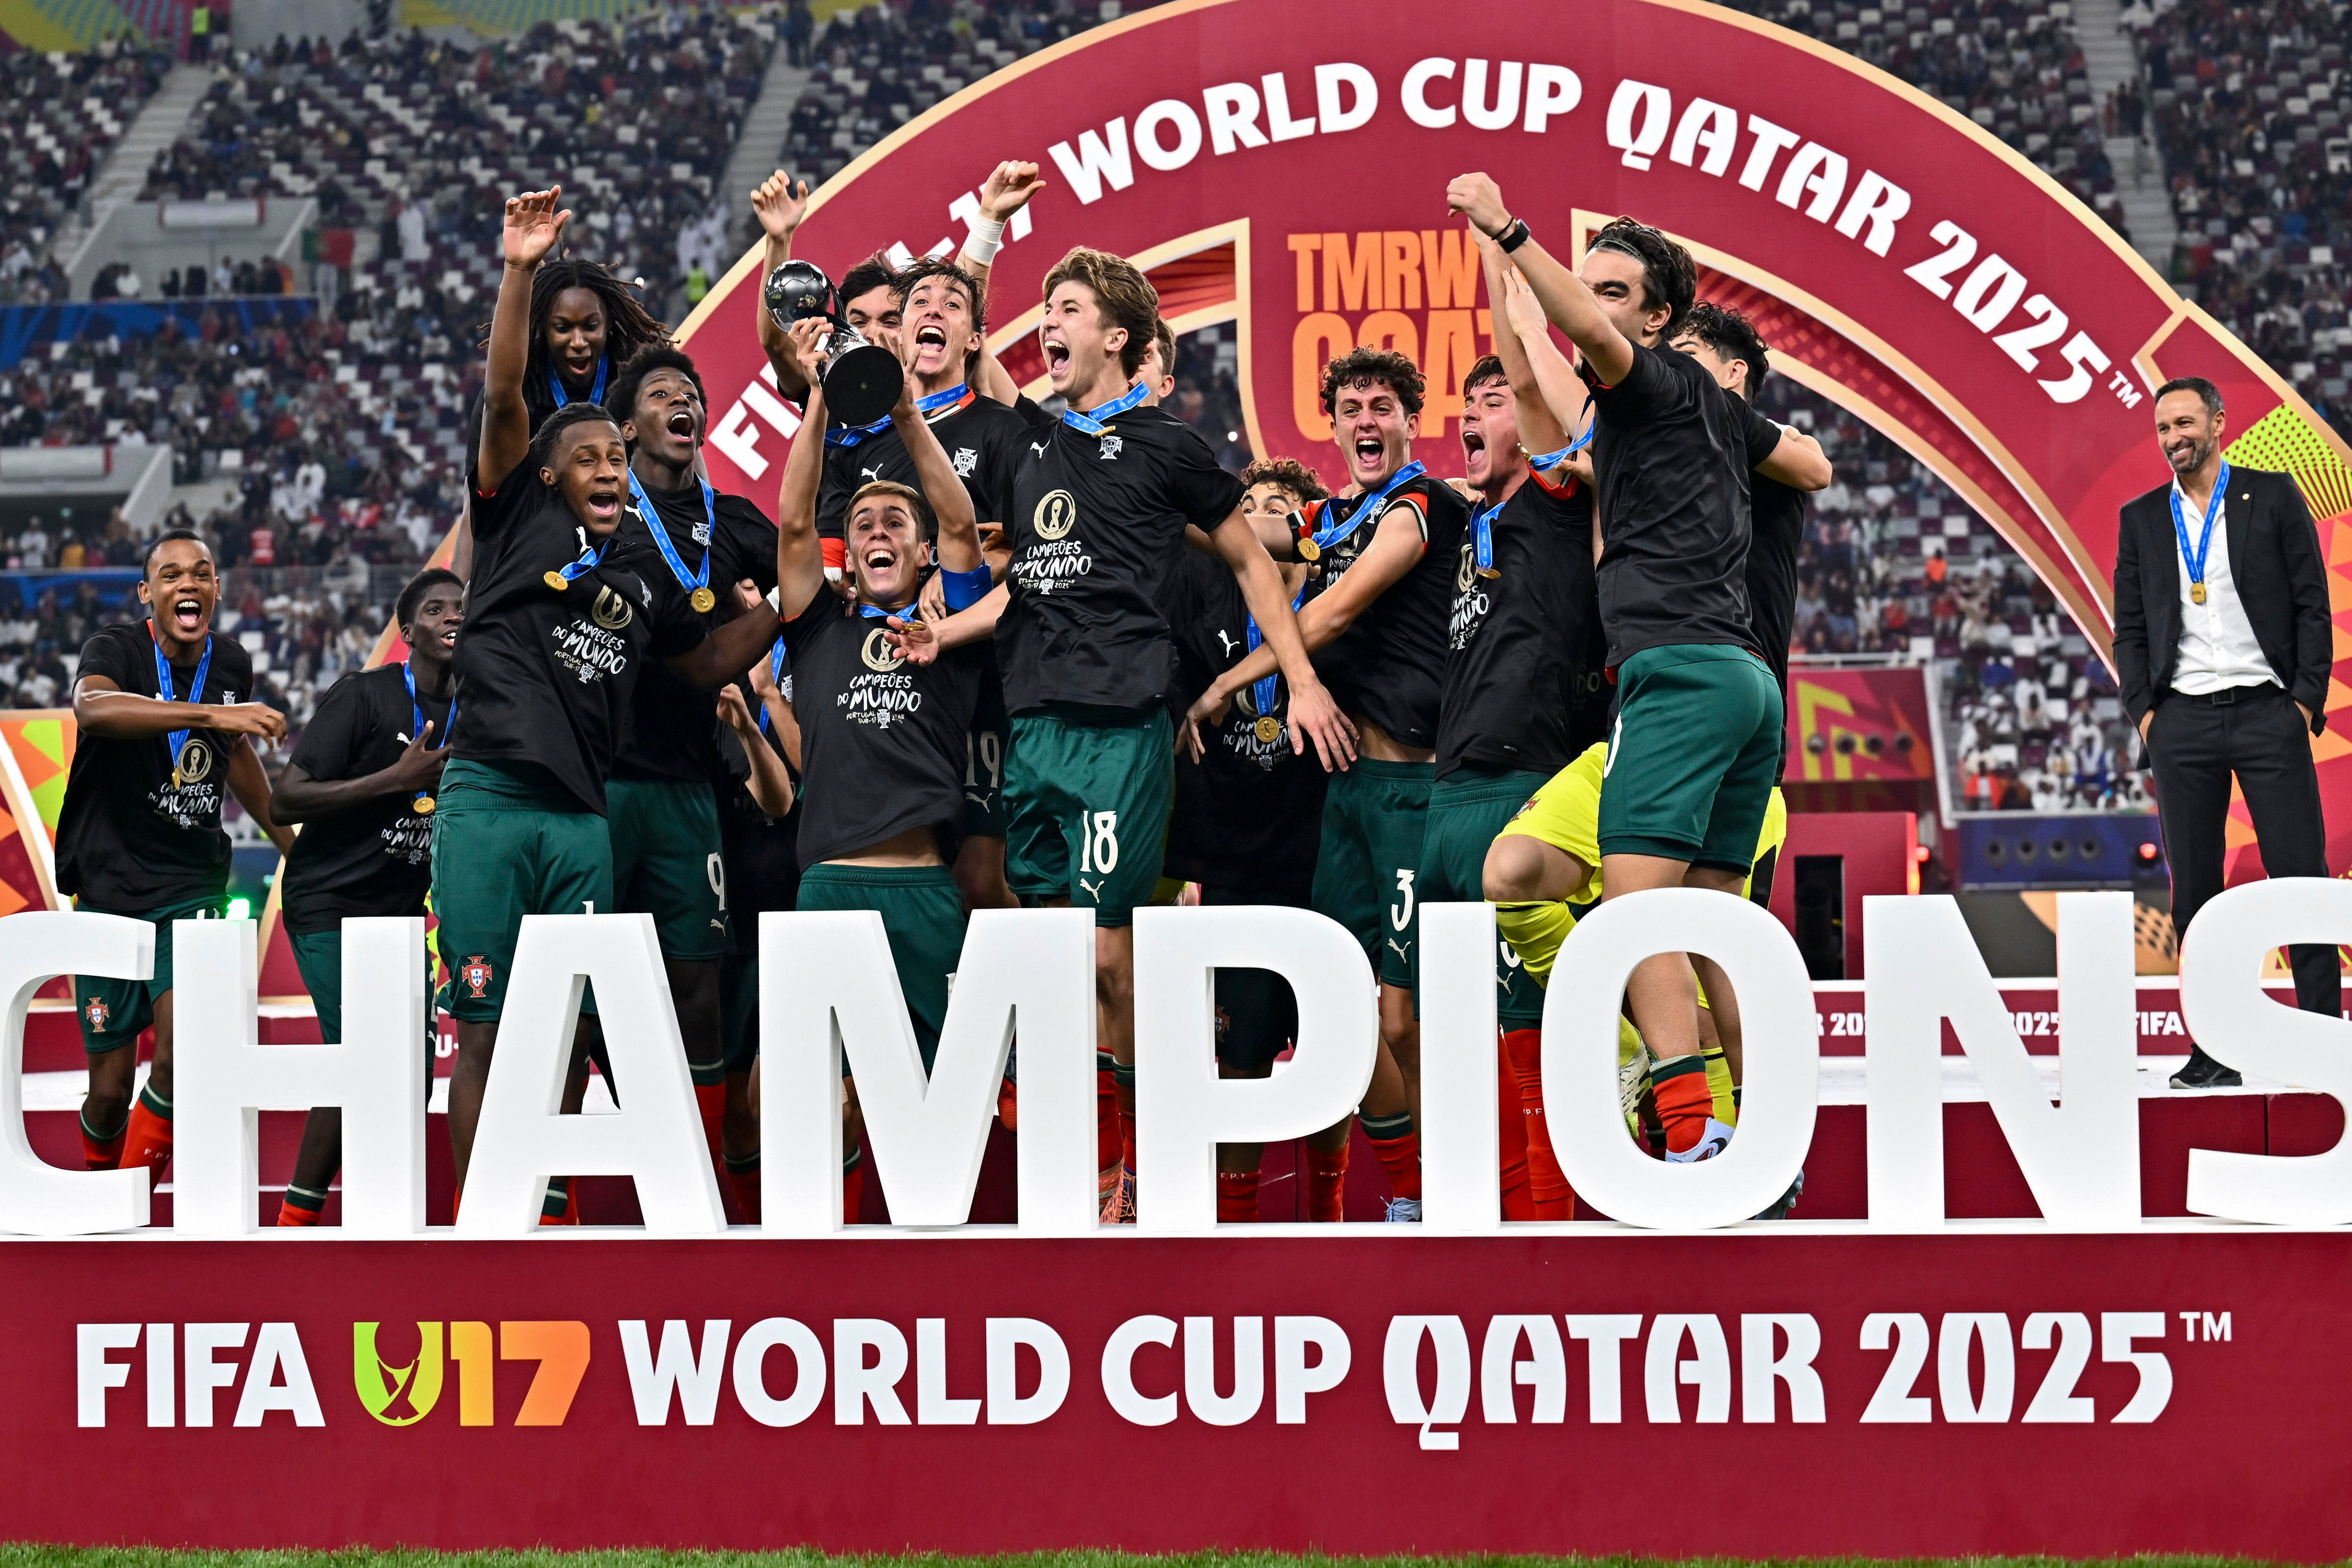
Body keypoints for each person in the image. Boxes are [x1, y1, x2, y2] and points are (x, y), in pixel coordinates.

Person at [906, 247, 1350, 1221]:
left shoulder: (1168, 449)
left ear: (1115, 337)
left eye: (1064, 309)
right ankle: (1097, 1150)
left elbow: (1250, 563)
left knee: (1112, 954)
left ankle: (1137, 1163)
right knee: (1060, 954)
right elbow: (957, 369)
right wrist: (948, 627)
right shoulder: (1026, 442)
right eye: (1042, 311)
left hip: (1122, 726)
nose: (1046, 325)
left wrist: (1303, 682)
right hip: (1035, 728)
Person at [1445, 175, 1828, 1161]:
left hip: (1676, 675)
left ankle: (1687, 1130)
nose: (1593, 304)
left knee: (1634, 913)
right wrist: (1501, 272)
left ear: (1659, 320)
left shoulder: (1657, 382)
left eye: (1614, 293)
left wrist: (1506, 224)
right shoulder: (1709, 421)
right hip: (1743, 685)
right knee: (1711, 931)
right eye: (1591, 287)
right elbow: (1536, 375)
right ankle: (1762, 1133)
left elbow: (1573, 344)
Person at [437, 187, 784, 1203]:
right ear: (544, 476)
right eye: (583, 455)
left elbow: (699, 664)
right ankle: (492, 1235)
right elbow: (506, 400)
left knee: (581, 1028)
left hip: (584, 818)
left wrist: (785, 606)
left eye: (616, 457)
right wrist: (516, 270)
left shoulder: (639, 567)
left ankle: (622, 1205)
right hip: (492, 801)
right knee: (489, 1030)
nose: (606, 465)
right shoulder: (513, 531)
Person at [1181, 345, 1469, 1161]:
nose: (1367, 420)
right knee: (1344, 1005)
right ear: (1334, 425)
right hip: (1348, 792)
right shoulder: (1332, 518)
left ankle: (1440, 1192)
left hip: (1414, 791)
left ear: (1412, 422)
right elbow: (1251, 533)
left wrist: (1223, 684)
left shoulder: (1421, 506)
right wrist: (1160, 504)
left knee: (1402, 1015)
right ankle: (1412, 1184)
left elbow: (1335, 611)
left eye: (1383, 407)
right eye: (1352, 409)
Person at [772, 314, 993, 1220]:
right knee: (827, 1104)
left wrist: (905, 414)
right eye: (861, 521)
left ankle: (931, 1268)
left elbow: (960, 519)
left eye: (893, 520)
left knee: (943, 1106)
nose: (878, 529)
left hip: (927, 892)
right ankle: (835, 1266)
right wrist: (826, 390)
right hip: (828, 888)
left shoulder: (947, 633)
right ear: (851, 556)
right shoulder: (820, 624)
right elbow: (792, 518)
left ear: (915, 548)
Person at [1418, 246, 1603, 1221]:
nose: (1472, 415)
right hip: (1447, 794)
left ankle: (1547, 1231)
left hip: (1522, 786)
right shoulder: (1465, 522)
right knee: (1458, 1038)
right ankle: (1477, 1231)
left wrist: (1499, 252)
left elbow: (1534, 376)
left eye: (1488, 401)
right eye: (1468, 404)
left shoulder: (1555, 497)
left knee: (1533, 1032)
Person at [2113, 376, 2337, 1089]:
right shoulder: (2143, 516)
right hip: (2183, 721)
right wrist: (2149, 715)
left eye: (2184, 423)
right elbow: (2133, 629)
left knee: (2300, 877)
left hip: (2269, 713)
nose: (2173, 438)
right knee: (2195, 896)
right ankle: (2215, 1050)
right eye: (2162, 429)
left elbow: (2313, 604)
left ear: (2218, 422)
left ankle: (2325, 1042)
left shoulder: (2271, 495)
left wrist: (2301, 703)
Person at [601, 343, 780, 1208]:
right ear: (627, 424)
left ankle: (701, 1191)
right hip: (597, 779)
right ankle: (555, 1191)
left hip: (692, 783)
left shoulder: (735, 519)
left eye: (693, 395)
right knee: (580, 981)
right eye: (663, 394)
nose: (684, 404)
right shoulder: (600, 511)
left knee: (699, 985)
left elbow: (805, 576)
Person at [59, 530, 294, 1180]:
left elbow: (235, 752)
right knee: (107, 1091)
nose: (187, 584)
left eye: (202, 573)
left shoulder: (232, 663)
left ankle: (128, 1200)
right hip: (107, 888)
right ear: (147, 593)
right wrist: (214, 716)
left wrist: (287, 841)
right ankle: (101, 1181)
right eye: (170, 575)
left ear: (217, 588)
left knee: (179, 1056)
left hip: (192, 884)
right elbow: (93, 708)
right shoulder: (114, 647)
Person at [1162, 458, 1360, 1222]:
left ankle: (1330, 1207)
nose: (1254, 516)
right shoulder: (1204, 592)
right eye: (1243, 506)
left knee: (1331, 1054)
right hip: (1235, 861)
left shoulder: (1347, 600)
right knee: (1239, 1057)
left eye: (1276, 505)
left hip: (1323, 856)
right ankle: (1234, 1224)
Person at [1483, 740, 1791, 1205]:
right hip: (1622, 746)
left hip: (1727, 756)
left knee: (1702, 1013)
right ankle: (1620, 1042)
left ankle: (1748, 1168)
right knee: (1511, 876)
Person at [267, 568, 463, 1225]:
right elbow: (285, 797)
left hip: (402, 916)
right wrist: (393, 779)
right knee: (361, 1057)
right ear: (408, 633)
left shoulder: (484, 704)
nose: (452, 616)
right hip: (329, 902)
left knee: (408, 1070)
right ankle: (296, 1225)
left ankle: (379, 1219)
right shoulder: (365, 695)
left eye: (462, 607)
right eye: (436, 609)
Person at [455, 254, 670, 580]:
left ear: (609, 322)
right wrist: (461, 589)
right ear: (542, 325)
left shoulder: (638, 385)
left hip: (631, 563)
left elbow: (689, 481)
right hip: (535, 565)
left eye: (590, 326)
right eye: (563, 328)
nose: (579, 342)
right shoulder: (519, 397)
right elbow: (479, 509)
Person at [1672, 302, 1822, 726]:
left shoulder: (1782, 439)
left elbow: (1818, 471)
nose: (1669, 367)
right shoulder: (1662, 447)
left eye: (1686, 354)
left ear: (1734, 372)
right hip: (1673, 659)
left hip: (1749, 669)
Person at [709, 645, 801, 1221]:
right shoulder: (707, 661)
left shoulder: (824, 650)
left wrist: (766, 699)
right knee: (736, 1107)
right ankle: (758, 1224)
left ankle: (799, 1228)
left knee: (778, 1090)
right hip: (728, 913)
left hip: (799, 903)